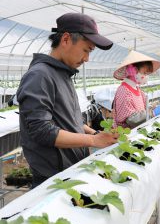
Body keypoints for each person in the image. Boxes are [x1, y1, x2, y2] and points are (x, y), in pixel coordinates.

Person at [17, 12, 119, 188]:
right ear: (65, 39)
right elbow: (41, 130)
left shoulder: (63, 74)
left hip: (70, 172)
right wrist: (94, 141)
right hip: (52, 180)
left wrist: (94, 133)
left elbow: (70, 120)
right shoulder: (39, 76)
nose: (87, 58)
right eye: (86, 50)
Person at [112, 50, 160, 129]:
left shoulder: (138, 90)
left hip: (137, 130)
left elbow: (144, 108)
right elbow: (131, 119)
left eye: (148, 74)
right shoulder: (124, 91)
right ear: (133, 71)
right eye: (145, 73)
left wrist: (153, 108)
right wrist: (152, 113)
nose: (146, 76)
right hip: (125, 135)